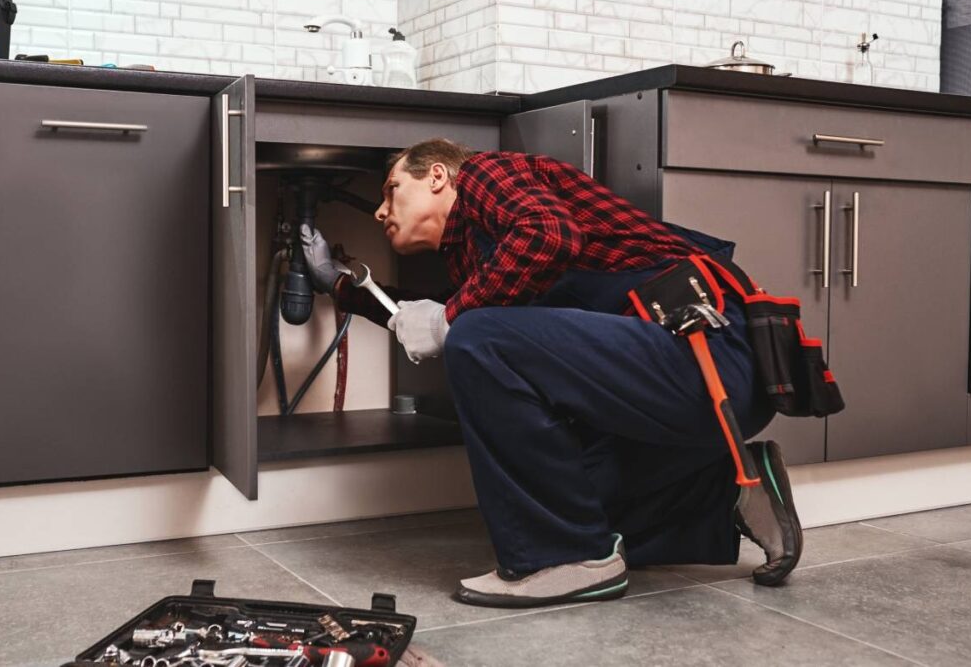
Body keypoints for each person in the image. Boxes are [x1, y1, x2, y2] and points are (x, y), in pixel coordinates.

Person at [300, 138, 803, 608]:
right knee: (568, 493)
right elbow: (446, 314)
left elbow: (548, 235)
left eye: (390, 190)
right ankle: (730, 487)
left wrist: (450, 320)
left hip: (708, 353)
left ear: (437, 176)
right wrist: (342, 288)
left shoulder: (483, 174)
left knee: (477, 337)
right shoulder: (478, 256)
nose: (380, 210)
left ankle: (564, 557)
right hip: (696, 391)